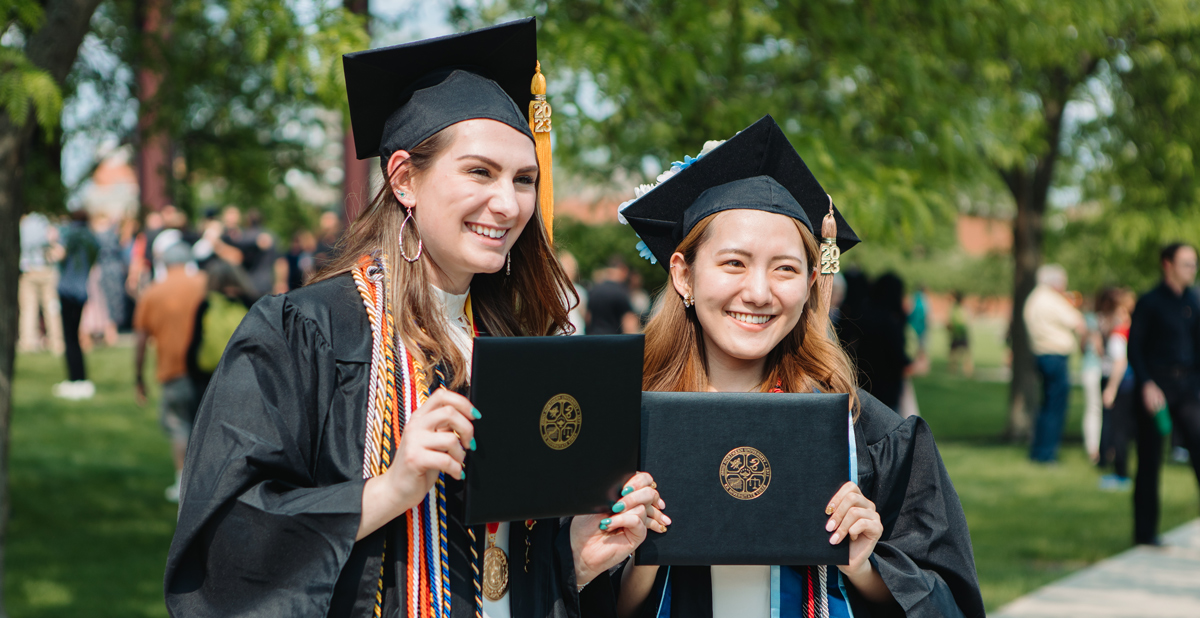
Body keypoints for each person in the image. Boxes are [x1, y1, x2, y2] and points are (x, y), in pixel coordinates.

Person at [165, 19, 665, 617]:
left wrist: (578, 560)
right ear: (404, 179)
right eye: (480, 171)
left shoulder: (522, 349)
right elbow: (225, 548)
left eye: (524, 179)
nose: (508, 204)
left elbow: (507, 577)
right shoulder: (306, 333)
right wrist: (390, 490)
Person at [619, 116, 983, 618]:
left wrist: (865, 566)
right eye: (733, 263)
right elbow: (563, 595)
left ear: (813, 281)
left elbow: (947, 600)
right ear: (683, 274)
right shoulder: (623, 423)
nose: (759, 292)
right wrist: (639, 554)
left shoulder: (866, 432)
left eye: (785, 268)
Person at [1128, 242, 1200, 545]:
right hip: (1156, 390)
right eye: (1186, 263)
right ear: (1167, 265)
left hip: (1187, 390)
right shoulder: (1149, 302)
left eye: (1194, 264)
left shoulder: (1194, 302)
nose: (1192, 270)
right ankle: (1144, 533)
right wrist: (1146, 383)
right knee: (1149, 461)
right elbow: (1135, 349)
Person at [134, 242, 209, 502]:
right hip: (208, 368)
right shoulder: (204, 283)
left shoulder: (153, 293)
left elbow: (141, 339)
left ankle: (182, 483)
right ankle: (209, 481)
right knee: (207, 425)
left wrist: (138, 377)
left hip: (172, 369)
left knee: (179, 426)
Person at [1023, 264, 1086, 463]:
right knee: (1055, 407)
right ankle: (1047, 453)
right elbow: (1077, 321)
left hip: (1041, 355)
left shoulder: (1034, 298)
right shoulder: (1051, 299)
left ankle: (1039, 450)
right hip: (1055, 356)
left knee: (1046, 405)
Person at [54, 210, 100, 400]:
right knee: (76, 336)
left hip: (67, 289)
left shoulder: (70, 234)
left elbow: (60, 255)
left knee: (69, 337)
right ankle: (80, 377)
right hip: (81, 289)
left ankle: (74, 379)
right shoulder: (91, 237)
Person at [1097, 287, 1135, 490]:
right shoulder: (1133, 329)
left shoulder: (1119, 334)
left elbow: (1119, 363)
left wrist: (1111, 388)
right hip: (1131, 384)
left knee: (1118, 430)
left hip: (1122, 385)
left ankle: (1121, 474)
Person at [18, 212, 65, 355]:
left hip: (28, 270)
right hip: (46, 269)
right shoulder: (45, 222)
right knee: (52, 307)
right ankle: (57, 342)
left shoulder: (22, 225)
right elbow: (54, 243)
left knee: (28, 308)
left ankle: (28, 342)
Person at [587, 255, 640, 335]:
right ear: (623, 270)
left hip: (594, 339)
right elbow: (629, 323)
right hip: (614, 341)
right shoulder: (622, 292)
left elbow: (588, 318)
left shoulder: (594, 290)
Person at [558, 250, 589, 335]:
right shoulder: (553, 290)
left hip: (577, 333)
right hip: (560, 334)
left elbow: (584, 314)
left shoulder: (579, 290)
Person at [947, 291, 973, 378]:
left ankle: (954, 370)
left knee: (954, 353)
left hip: (957, 334)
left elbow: (951, 322)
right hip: (960, 334)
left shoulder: (954, 308)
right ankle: (966, 371)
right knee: (964, 353)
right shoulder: (962, 308)